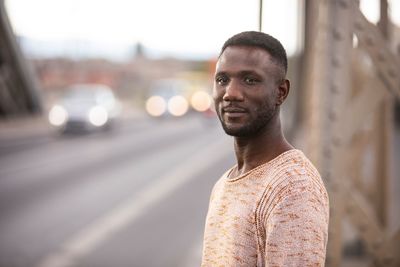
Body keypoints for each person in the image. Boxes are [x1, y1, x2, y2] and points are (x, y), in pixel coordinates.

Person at [201, 31, 329, 266]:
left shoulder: (293, 187)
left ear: (281, 92)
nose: (231, 93)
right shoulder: (224, 183)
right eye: (222, 80)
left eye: (250, 80)